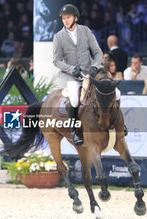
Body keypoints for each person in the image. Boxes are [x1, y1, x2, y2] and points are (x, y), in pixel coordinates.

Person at [53, 4, 103, 146]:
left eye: (68, 17)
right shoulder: (59, 37)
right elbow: (56, 60)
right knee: (74, 99)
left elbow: (98, 53)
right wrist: (70, 69)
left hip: (91, 72)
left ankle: (119, 124)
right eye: (63, 18)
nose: (65, 20)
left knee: (115, 92)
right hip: (73, 76)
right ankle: (74, 130)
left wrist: (95, 66)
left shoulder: (86, 31)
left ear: (75, 18)